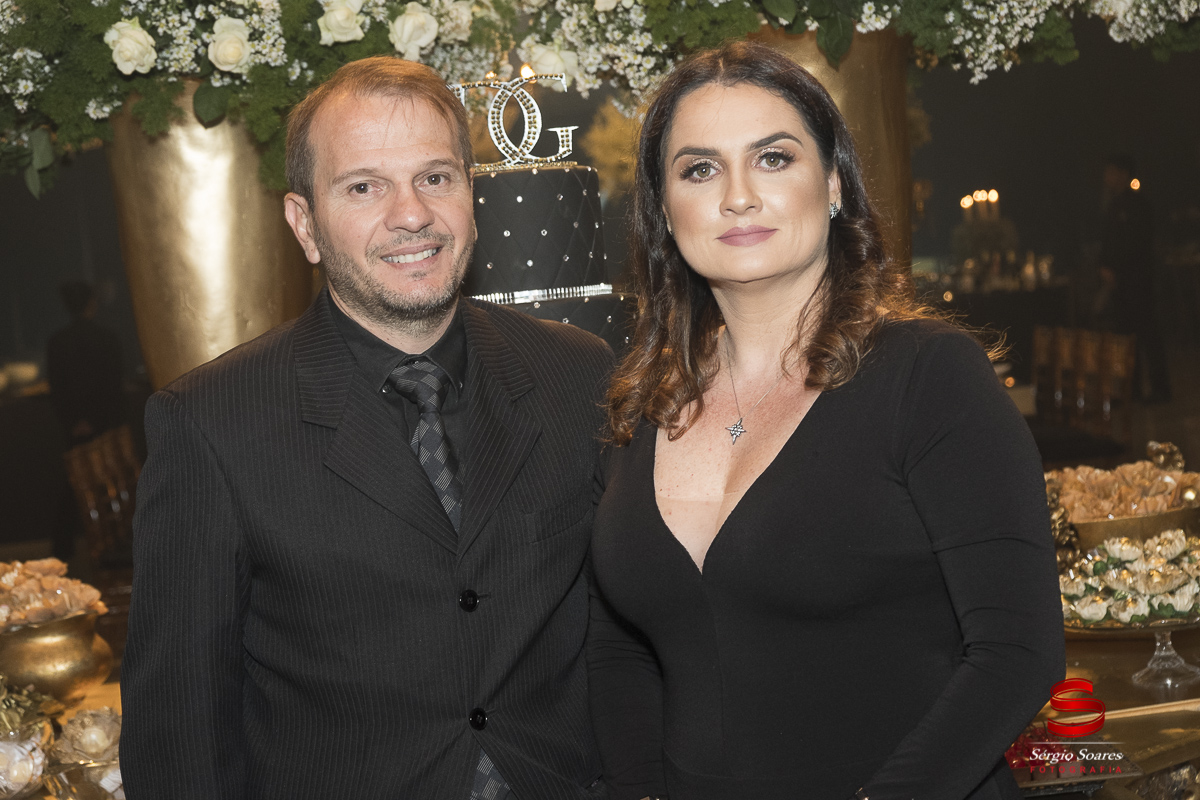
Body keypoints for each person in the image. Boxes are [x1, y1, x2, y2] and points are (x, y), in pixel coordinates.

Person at [121, 57, 612, 800]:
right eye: (364, 187)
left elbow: (621, 631)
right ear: (305, 225)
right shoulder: (211, 423)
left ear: (470, 194)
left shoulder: (575, 373)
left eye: (435, 178)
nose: (411, 214)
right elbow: (179, 731)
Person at [588, 41, 1064, 800]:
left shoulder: (930, 376)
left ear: (835, 183)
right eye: (700, 169)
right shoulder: (642, 399)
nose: (738, 196)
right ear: (664, 211)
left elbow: (1017, 652)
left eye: (773, 158)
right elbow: (620, 650)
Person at [1098, 154, 1171, 402]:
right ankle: (1132, 388)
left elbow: (1136, 244)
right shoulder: (1113, 205)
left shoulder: (1138, 205)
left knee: (1147, 332)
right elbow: (1109, 241)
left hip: (1137, 280)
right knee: (1127, 336)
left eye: (1111, 172)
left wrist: (1115, 266)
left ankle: (1160, 388)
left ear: (1123, 174)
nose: (1107, 177)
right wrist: (1105, 266)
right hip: (1120, 282)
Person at [45, 280, 125, 445]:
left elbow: (57, 388)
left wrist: (73, 421)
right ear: (91, 302)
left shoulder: (56, 342)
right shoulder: (107, 339)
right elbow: (114, 384)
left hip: (74, 430)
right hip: (107, 427)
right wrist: (95, 420)